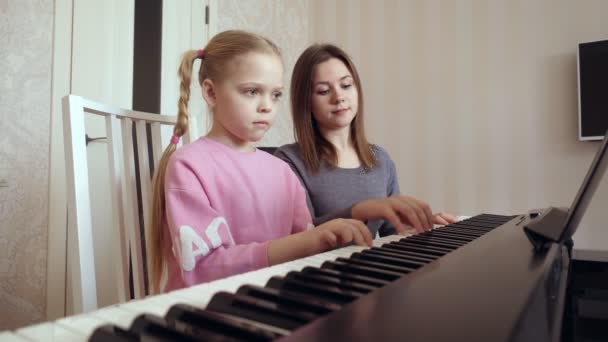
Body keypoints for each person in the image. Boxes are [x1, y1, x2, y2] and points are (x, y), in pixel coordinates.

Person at [148, 31, 372, 294]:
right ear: (210, 92)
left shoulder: (282, 172)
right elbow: (202, 270)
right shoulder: (188, 164)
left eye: (275, 95)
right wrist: (310, 240)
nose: (267, 106)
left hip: (271, 306)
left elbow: (305, 255)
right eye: (252, 91)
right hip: (207, 311)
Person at [275, 43, 457, 239]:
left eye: (346, 85)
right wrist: (360, 210)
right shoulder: (288, 161)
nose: (339, 97)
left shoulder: (380, 159)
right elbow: (302, 236)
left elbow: (393, 234)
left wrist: (426, 228)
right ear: (306, 102)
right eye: (323, 91)